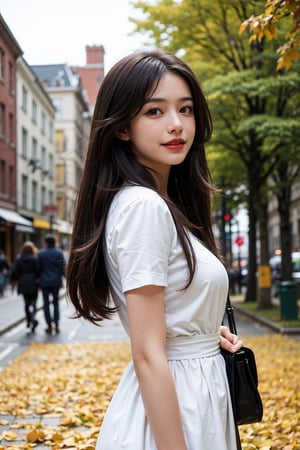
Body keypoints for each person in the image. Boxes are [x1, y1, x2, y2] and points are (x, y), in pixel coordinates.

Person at [66, 50, 243, 450]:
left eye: (185, 109)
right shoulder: (144, 207)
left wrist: (200, 329)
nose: (177, 124)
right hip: (176, 413)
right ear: (122, 128)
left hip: (191, 394)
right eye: (154, 112)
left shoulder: (158, 204)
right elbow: (147, 352)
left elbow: (164, 320)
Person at [38, 234, 65, 334]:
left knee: (46, 305)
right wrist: (63, 280)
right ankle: (57, 324)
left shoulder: (41, 253)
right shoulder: (59, 253)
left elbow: (38, 268)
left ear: (45, 243)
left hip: (44, 282)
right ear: (54, 243)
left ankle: (49, 325)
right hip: (56, 282)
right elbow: (62, 268)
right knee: (56, 304)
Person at [11, 241, 39, 332]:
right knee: (34, 303)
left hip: (23, 283)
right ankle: (33, 317)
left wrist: (14, 281)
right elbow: (38, 271)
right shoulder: (34, 259)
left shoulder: (19, 259)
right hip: (33, 283)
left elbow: (15, 271)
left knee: (26, 304)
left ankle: (29, 319)